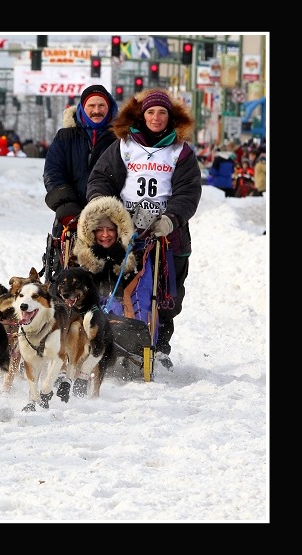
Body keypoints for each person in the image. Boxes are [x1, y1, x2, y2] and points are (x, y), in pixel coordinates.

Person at [87, 89, 202, 369]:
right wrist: (102, 208)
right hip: (124, 231)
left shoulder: (181, 151)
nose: (156, 117)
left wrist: (171, 218)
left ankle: (159, 347)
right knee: (118, 287)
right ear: (142, 115)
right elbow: (102, 179)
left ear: (170, 117)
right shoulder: (124, 146)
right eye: (150, 112)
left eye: (162, 112)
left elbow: (188, 192)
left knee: (167, 295)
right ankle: (113, 340)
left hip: (167, 233)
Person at [43, 84, 119, 236]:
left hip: (109, 222)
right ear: (82, 109)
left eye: (101, 105)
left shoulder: (121, 139)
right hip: (70, 218)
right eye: (91, 105)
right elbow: (53, 173)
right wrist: (66, 206)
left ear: (109, 108)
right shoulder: (65, 137)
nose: (96, 110)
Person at [73, 195, 138, 300]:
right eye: (99, 230)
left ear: (119, 231)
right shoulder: (79, 260)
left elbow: (137, 290)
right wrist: (93, 265)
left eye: (111, 229)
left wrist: (122, 262)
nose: (105, 234)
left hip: (125, 311)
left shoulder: (131, 257)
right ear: (91, 232)